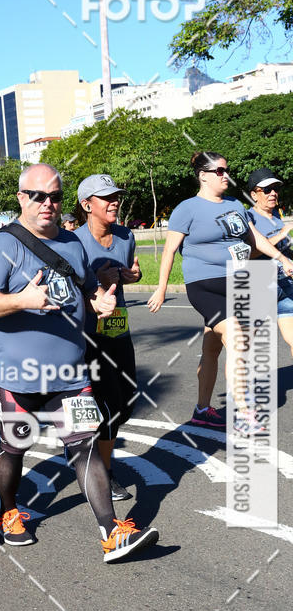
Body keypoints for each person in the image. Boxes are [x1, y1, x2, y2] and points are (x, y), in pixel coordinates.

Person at [0, 163, 159, 563]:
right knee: (15, 447)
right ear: (22, 198)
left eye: (54, 196)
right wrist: (22, 299)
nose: (47, 203)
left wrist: (101, 303)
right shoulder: (2, 246)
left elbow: (88, 294)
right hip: (17, 375)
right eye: (38, 196)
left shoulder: (73, 244)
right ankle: (7, 511)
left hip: (70, 373)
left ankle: (111, 532)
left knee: (85, 446)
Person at [147, 151, 293, 434]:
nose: (225, 175)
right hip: (204, 285)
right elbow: (169, 250)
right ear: (203, 175)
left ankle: (202, 410)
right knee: (237, 337)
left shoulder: (235, 205)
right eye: (219, 171)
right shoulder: (186, 209)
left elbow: (255, 239)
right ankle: (245, 412)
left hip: (236, 282)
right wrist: (162, 288)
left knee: (212, 347)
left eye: (226, 170)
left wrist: (282, 258)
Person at [75, 175, 142, 502]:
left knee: (126, 402)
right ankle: (103, 470)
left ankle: (89, 454)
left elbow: (133, 267)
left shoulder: (126, 236)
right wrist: (94, 282)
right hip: (85, 338)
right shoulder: (71, 243)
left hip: (119, 331)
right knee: (107, 405)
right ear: (87, 205)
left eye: (116, 196)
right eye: (106, 198)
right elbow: (64, 293)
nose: (114, 201)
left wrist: (133, 275)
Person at [246, 167, 293, 357]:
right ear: (254, 195)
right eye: (266, 190)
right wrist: (282, 234)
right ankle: (243, 385)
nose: (273, 193)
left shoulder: (276, 216)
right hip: (259, 283)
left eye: (275, 189)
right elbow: (249, 254)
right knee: (246, 344)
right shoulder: (248, 218)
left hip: (285, 283)